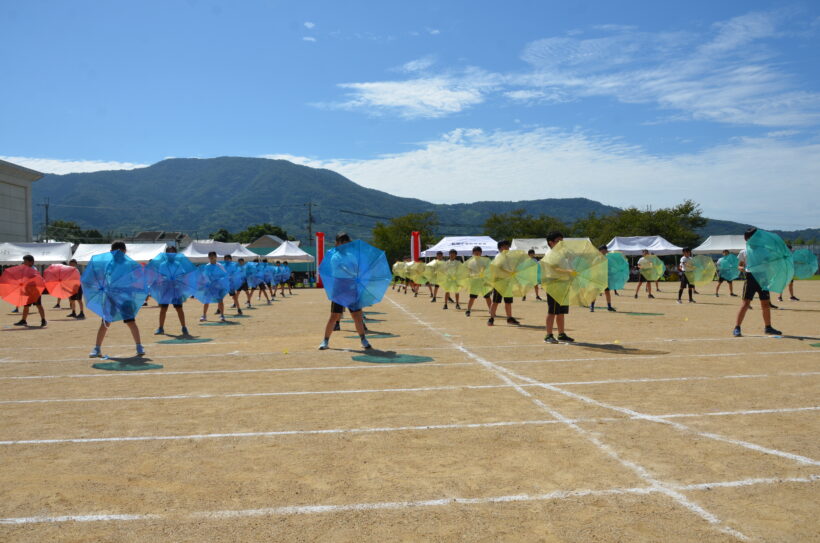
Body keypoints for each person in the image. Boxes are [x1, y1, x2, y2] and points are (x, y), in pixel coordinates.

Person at [89, 241, 144, 358]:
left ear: (124, 251)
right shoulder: (109, 263)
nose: (116, 254)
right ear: (111, 252)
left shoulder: (129, 264)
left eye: (119, 251)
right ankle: (97, 348)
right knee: (105, 322)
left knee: (130, 322)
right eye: (114, 252)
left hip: (125, 297)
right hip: (110, 296)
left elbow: (134, 280)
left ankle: (139, 346)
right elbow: (105, 278)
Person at [318, 232, 372, 351]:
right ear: (337, 243)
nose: (345, 245)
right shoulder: (334, 256)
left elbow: (355, 267)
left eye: (347, 243)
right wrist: (351, 273)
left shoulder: (351, 255)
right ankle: (325, 340)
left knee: (357, 316)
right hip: (339, 288)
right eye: (342, 243)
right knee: (334, 316)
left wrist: (358, 273)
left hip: (351, 287)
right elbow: (342, 268)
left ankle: (363, 339)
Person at [733, 228, 782, 337]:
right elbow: (739, 265)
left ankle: (768, 327)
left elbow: (769, 263)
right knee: (745, 304)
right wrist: (742, 268)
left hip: (763, 278)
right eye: (751, 237)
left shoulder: (764, 250)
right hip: (750, 277)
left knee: (765, 304)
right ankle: (737, 327)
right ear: (748, 239)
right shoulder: (744, 251)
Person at [543, 232, 574, 343]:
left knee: (561, 312)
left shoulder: (560, 254)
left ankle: (561, 334)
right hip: (554, 284)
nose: (561, 243)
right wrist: (568, 271)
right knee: (552, 311)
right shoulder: (550, 254)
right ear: (550, 243)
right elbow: (555, 268)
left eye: (562, 241)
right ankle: (548, 335)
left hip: (563, 284)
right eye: (558, 241)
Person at [155, 246, 190, 336]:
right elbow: (160, 277)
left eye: (173, 252)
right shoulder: (163, 265)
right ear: (166, 254)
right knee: (163, 309)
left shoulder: (178, 264)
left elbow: (182, 275)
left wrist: (176, 280)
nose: (171, 254)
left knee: (179, 309)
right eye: (169, 252)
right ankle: (160, 327)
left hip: (176, 289)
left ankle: (184, 327)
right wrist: (165, 279)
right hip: (166, 289)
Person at [487, 240, 520, 326]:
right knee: (496, 301)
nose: (507, 248)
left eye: (508, 246)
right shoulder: (498, 256)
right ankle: (491, 318)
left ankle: (509, 318)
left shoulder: (509, 257)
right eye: (504, 246)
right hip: (500, 282)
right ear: (500, 248)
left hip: (508, 281)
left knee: (508, 302)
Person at [13, 255, 47, 328]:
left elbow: (34, 279)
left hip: (34, 290)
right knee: (26, 306)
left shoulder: (33, 269)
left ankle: (43, 320)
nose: (24, 262)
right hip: (28, 290)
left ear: (31, 262)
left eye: (25, 261)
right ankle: (23, 320)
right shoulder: (26, 269)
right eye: (24, 261)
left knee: (38, 305)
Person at [465, 246, 492, 317]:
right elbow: (468, 271)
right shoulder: (470, 261)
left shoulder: (485, 260)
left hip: (484, 281)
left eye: (478, 252)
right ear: (473, 253)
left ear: (481, 253)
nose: (477, 253)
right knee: (472, 297)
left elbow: (489, 269)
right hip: (475, 282)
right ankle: (468, 310)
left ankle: (491, 310)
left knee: (487, 297)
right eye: (475, 252)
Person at [200, 251, 227, 323]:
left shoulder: (220, 266)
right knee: (206, 301)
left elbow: (225, 275)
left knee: (220, 301)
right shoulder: (207, 266)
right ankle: (204, 315)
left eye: (213, 256)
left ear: (216, 257)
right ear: (208, 257)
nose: (212, 257)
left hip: (218, 286)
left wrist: (219, 281)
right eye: (210, 256)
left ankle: (222, 315)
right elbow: (204, 276)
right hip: (209, 286)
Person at [590, 245, 616, 312]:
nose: (605, 251)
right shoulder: (597, 258)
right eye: (604, 250)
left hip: (605, 277)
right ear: (600, 250)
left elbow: (609, 267)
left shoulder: (607, 258)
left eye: (606, 250)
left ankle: (609, 306)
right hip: (598, 278)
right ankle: (592, 306)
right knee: (595, 292)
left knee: (607, 292)